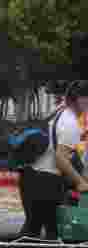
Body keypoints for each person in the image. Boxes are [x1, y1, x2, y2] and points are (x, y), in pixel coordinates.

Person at [20, 80, 88, 239]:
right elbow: (61, 159)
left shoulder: (60, 112)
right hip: (47, 181)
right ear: (80, 99)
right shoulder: (70, 123)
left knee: (32, 231)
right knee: (54, 232)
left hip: (32, 176)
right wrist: (80, 182)